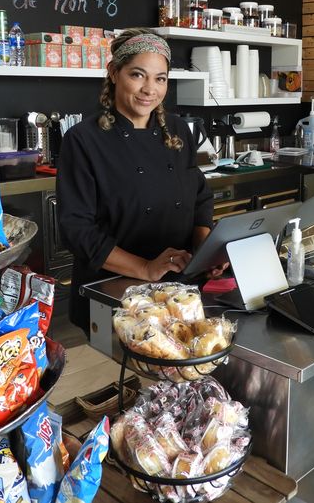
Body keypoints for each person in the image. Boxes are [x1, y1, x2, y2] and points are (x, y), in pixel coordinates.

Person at [56, 28, 220, 333]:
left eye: (160, 79)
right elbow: (76, 229)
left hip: (179, 287)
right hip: (115, 290)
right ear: (114, 73)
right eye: (137, 75)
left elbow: (200, 197)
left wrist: (205, 253)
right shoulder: (84, 140)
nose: (150, 89)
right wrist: (145, 267)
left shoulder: (178, 130)